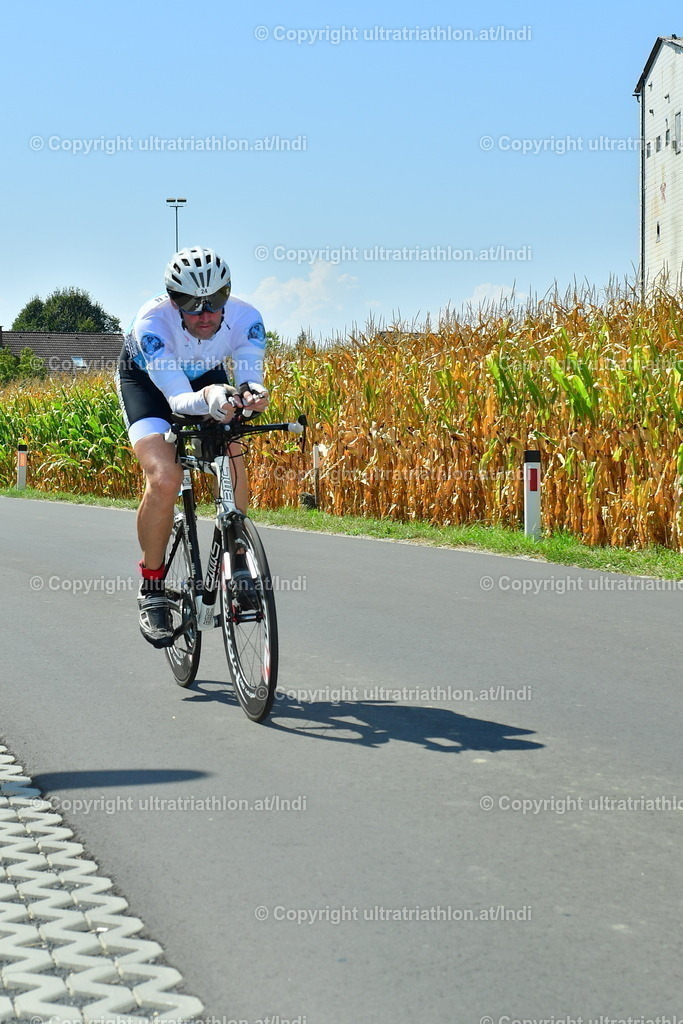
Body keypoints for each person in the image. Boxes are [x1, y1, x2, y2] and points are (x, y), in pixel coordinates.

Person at [116, 245, 269, 647]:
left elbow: (252, 377)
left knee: (232, 450)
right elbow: (179, 402)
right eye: (190, 303)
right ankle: (152, 587)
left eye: (214, 302)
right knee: (166, 479)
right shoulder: (152, 325)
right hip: (149, 385)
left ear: (228, 294)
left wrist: (253, 396)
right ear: (172, 300)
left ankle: (238, 565)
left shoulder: (247, 318)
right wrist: (212, 397)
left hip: (207, 377)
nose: (204, 315)